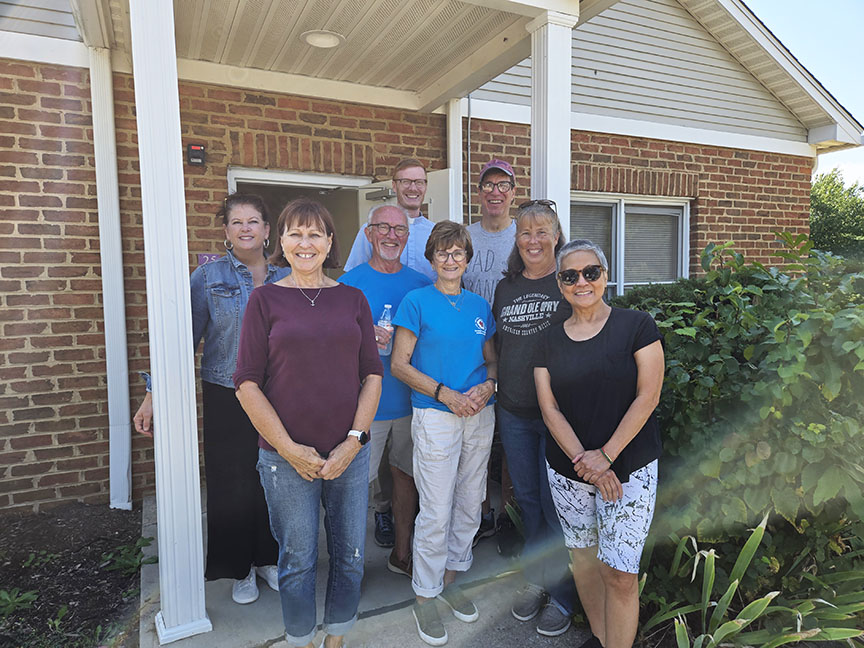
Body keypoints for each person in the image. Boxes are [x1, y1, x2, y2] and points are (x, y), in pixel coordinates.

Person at [233, 198, 383, 648]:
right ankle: (301, 641)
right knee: (296, 560)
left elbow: (372, 374)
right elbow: (245, 383)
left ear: (330, 242)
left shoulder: (353, 299)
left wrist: (354, 442)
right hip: (285, 460)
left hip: (349, 455)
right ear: (280, 241)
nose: (305, 243)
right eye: (295, 234)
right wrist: (288, 449)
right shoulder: (265, 300)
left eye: (315, 234)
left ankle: (335, 640)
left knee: (350, 557)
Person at [132, 193, 287, 605]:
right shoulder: (208, 278)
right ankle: (239, 568)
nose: (246, 229)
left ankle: (270, 559)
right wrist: (153, 393)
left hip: (279, 395)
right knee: (232, 481)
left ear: (268, 230)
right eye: (236, 222)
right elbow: (179, 342)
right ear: (225, 232)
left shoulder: (287, 277)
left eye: (253, 221)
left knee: (273, 479)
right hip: (226, 392)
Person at [534, 239, 665, 648]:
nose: (582, 282)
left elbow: (649, 395)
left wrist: (606, 457)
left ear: (605, 276)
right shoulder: (548, 340)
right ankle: (600, 637)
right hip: (570, 469)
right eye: (570, 276)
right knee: (586, 562)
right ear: (560, 284)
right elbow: (549, 407)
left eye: (591, 272)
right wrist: (586, 462)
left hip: (630, 468)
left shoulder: (636, 325)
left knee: (620, 574)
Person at [391, 221, 497, 647]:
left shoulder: (478, 305)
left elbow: (492, 361)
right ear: (431, 258)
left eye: (458, 253)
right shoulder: (416, 301)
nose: (451, 260)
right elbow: (400, 364)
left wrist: (490, 385)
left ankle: (451, 580)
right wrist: (444, 394)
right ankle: (425, 596)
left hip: (480, 412)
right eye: (442, 253)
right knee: (435, 509)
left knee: (471, 503)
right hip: (436, 414)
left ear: (467, 259)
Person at [492, 199, 578, 637]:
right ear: (516, 239)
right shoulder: (505, 287)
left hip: (558, 417)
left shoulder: (569, 282)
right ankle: (537, 578)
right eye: (525, 232)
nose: (533, 239)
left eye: (542, 230)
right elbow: (498, 346)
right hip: (513, 411)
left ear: (557, 236)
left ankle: (562, 595)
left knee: (554, 504)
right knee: (527, 501)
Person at [344, 158, 437, 549]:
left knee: (407, 476)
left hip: (411, 400)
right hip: (366, 403)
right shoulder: (348, 285)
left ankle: (404, 551)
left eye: (398, 229)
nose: (391, 235)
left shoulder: (420, 284)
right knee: (354, 485)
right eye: (382, 227)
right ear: (369, 233)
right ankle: (350, 560)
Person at [463, 158, 519, 546]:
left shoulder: (525, 235)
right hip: (471, 349)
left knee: (513, 437)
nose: (495, 192)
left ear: (514, 192)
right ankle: (479, 514)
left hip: (515, 347)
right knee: (477, 437)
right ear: (479, 193)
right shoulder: (465, 237)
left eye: (503, 185)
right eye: (488, 185)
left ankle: (510, 517)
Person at [343, 158, 436, 281]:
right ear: (394, 186)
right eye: (406, 181)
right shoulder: (373, 229)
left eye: (419, 182)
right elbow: (355, 279)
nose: (413, 188)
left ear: (425, 186)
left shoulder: (436, 233)